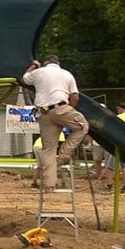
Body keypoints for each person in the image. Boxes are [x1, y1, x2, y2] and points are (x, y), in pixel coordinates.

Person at [21, 54, 89, 189]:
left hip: (43, 113)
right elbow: (75, 97)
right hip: (60, 108)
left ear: (46, 64)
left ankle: (49, 185)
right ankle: (61, 157)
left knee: (48, 149)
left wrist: (34, 65)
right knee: (82, 126)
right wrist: (68, 111)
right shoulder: (66, 74)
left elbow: (24, 79)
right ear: (58, 63)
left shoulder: (38, 73)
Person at [104, 103, 125, 192]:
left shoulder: (119, 117)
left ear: (121, 108)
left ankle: (110, 185)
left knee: (110, 166)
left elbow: (113, 130)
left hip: (117, 143)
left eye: (118, 108)